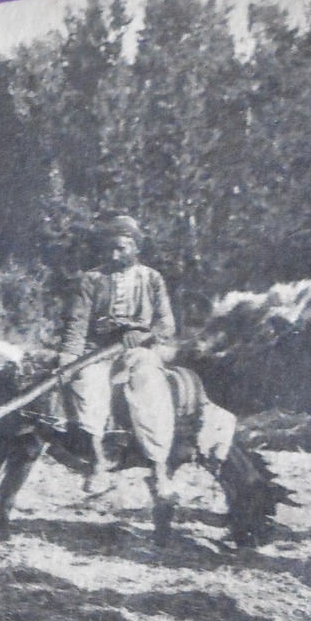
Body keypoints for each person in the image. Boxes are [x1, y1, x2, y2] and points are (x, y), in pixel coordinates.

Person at [57, 215, 180, 509]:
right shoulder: (92, 279)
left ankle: (159, 469)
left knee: (148, 384)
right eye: (110, 249)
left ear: (136, 248)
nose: (115, 255)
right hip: (98, 349)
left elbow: (166, 325)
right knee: (87, 383)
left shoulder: (151, 279)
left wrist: (143, 334)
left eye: (122, 248)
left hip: (139, 349)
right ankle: (98, 464)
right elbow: (77, 323)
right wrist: (69, 358)